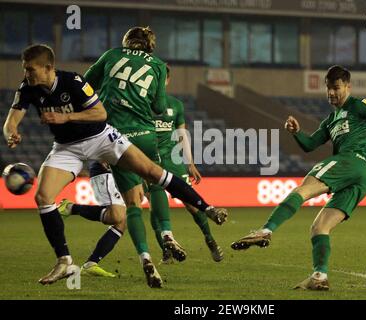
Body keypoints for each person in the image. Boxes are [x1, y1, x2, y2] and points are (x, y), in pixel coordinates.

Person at [3, 43, 226, 287]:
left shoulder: (73, 82)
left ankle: (208, 208)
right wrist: (11, 131)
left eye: (31, 69)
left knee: (152, 172)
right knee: (43, 197)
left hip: (101, 139)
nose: (27, 74)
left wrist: (65, 117)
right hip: (67, 147)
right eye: (25, 69)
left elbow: (100, 113)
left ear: (48, 67)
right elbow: (11, 120)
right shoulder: (27, 88)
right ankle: (64, 260)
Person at [230, 65, 366, 291]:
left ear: (348, 86)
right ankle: (320, 276)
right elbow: (309, 145)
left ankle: (266, 230)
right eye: (328, 88)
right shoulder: (330, 121)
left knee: (302, 190)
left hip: (352, 161)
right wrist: (297, 133)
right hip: (360, 178)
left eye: (336, 88)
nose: (331, 93)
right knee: (319, 228)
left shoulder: (359, 106)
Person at [82, 27, 227, 281]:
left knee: (133, 204)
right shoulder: (159, 66)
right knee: (160, 182)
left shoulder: (111, 55)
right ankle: (206, 208)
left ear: (126, 41)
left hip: (114, 136)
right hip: (145, 136)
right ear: (150, 45)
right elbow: (159, 107)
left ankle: (147, 259)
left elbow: (85, 85)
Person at [147, 66, 224, 264]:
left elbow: (182, 136)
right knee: (155, 209)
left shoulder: (175, 105)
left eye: (162, 78)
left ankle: (210, 239)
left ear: (167, 81)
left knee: (191, 205)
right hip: (148, 162)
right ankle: (166, 251)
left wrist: (189, 163)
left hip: (173, 162)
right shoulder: (142, 103)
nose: (158, 82)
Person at [58, 161, 126, 278]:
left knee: (123, 221)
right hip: (105, 170)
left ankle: (91, 264)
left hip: (120, 171)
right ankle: (71, 208)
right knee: (117, 216)